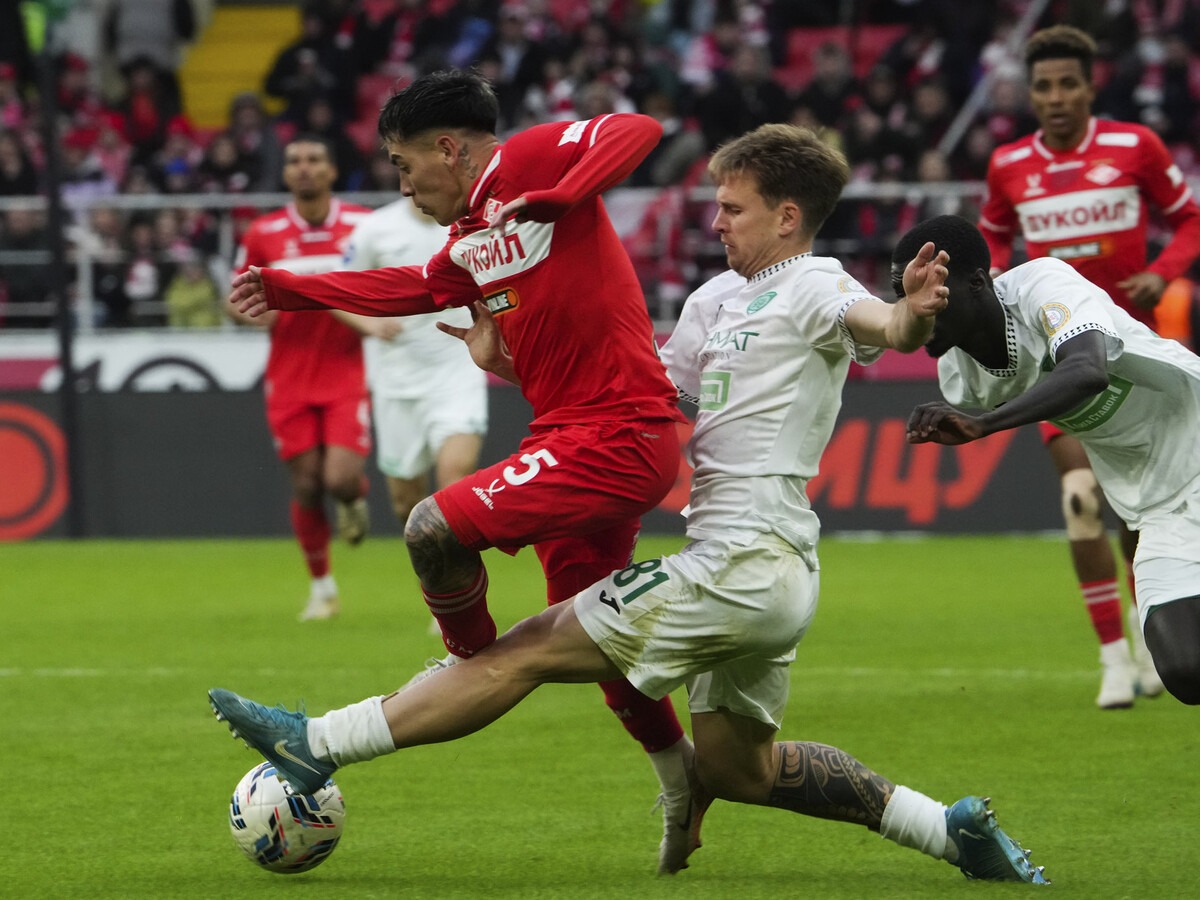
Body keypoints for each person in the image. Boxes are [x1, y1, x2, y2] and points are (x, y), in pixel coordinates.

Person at [211, 124, 1049, 885]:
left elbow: (884, 326)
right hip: (760, 568)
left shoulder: (813, 282)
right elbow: (644, 402)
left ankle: (318, 741)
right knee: (738, 769)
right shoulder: (712, 303)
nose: (716, 222)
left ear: (788, 216)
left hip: (744, 562)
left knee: (518, 653)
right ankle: (949, 831)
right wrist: (507, 364)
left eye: (734, 209)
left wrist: (911, 313)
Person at [227, 70, 696, 871]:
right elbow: (410, 287)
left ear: (448, 148)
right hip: (579, 438)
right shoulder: (472, 241)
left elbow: (637, 130)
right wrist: (289, 289)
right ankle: (683, 784)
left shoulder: (529, 162)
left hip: (616, 436)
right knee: (604, 650)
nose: (403, 185)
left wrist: (564, 193)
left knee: (432, 526)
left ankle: (465, 659)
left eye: (404, 165)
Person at [976, 24, 1200, 709]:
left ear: (1090, 86)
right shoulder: (1009, 164)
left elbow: (1190, 219)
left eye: (1067, 83)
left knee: (1140, 518)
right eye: (1043, 86)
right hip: (1062, 365)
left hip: (1134, 361)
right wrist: (995, 283)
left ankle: (1146, 636)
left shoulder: (1136, 146)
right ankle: (1112, 661)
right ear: (1031, 93)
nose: (1055, 97)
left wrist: (1162, 273)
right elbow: (990, 243)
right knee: (1080, 499)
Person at [894, 213, 1200, 709]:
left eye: (931, 290)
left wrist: (985, 425)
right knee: (1185, 671)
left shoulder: (1041, 283)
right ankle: (1117, 658)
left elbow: (1087, 371)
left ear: (978, 283)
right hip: (1158, 503)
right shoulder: (961, 379)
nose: (916, 307)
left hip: (1195, 428)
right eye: (904, 292)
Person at [229, 133, 392, 621]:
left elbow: (388, 279)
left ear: (332, 171)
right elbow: (235, 296)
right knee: (305, 485)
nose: (304, 167)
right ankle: (322, 589)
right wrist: (249, 315)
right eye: (295, 160)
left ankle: (352, 498)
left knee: (339, 478)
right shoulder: (264, 232)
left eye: (314, 159)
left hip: (346, 371)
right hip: (289, 375)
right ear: (285, 174)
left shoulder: (364, 226)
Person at [340, 195, 487, 535]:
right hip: (397, 383)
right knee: (407, 505)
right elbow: (337, 290)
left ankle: (460, 567)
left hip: (458, 374)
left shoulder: (474, 223)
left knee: (454, 487)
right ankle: (434, 565)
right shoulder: (375, 229)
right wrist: (369, 324)